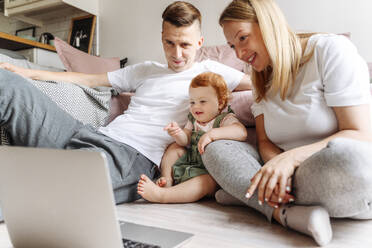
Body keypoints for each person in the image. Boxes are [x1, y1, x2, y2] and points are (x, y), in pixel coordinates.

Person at [0, 1, 250, 205]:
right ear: (162, 37)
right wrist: (27, 74)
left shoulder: (211, 73)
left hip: (129, 156)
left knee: (38, 189)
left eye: (185, 44)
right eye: (169, 43)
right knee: (6, 81)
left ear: (199, 42)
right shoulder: (146, 70)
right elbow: (89, 79)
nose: (176, 54)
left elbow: (261, 85)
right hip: (87, 134)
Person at [200, 0, 372, 246]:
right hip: (289, 174)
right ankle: (284, 212)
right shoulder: (260, 81)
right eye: (231, 45)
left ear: (268, 25)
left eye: (243, 38)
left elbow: (360, 133)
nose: (238, 54)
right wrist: (276, 165)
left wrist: (290, 159)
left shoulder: (330, 50)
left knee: (350, 161)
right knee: (214, 147)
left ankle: (247, 195)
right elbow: (265, 142)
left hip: (331, 167)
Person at [137, 71, 248, 203]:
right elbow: (186, 140)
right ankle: (167, 179)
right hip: (192, 161)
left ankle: (163, 195)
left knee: (204, 182)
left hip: (210, 172)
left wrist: (212, 134)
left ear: (220, 103)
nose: (196, 106)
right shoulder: (194, 120)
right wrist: (178, 133)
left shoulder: (224, 119)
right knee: (175, 147)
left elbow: (241, 132)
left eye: (202, 101)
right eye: (192, 102)